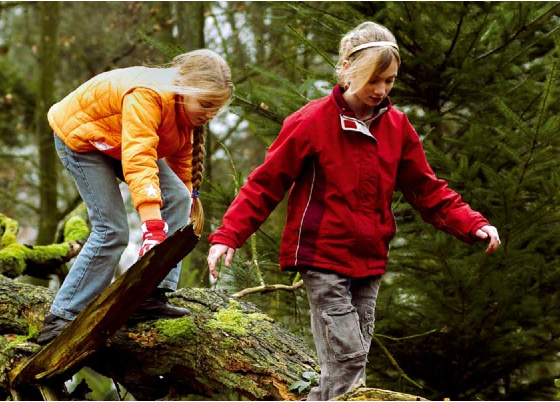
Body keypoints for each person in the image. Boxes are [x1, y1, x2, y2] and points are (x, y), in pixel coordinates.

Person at [207, 22, 500, 401]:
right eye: (373, 80)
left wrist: (473, 224)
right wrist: (228, 235)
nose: (381, 90)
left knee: (347, 367)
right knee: (348, 359)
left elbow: (427, 190)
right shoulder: (311, 121)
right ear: (347, 68)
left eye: (389, 81)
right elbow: (265, 184)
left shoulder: (397, 127)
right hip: (323, 257)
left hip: (370, 261)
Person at [37, 49, 234, 345]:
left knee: (180, 198)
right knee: (112, 231)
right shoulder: (149, 95)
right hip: (82, 136)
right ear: (184, 89)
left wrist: (185, 202)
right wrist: (152, 227)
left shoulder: (186, 115)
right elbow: (139, 160)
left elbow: (180, 165)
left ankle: (151, 294)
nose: (208, 115)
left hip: (120, 140)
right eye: (205, 105)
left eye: (215, 109)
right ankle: (62, 316)